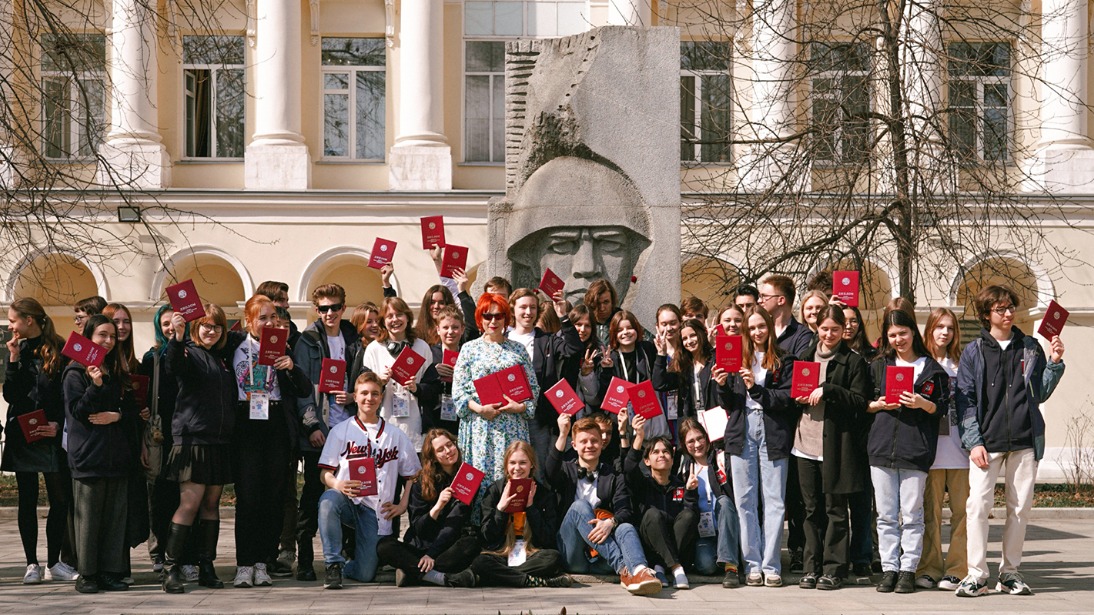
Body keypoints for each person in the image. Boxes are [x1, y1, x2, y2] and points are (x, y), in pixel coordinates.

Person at [955, 285, 1065, 597]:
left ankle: (1009, 574)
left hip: (1025, 440)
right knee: (977, 505)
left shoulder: (1030, 347)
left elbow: (1040, 392)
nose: (1008, 313)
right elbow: (964, 402)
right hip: (986, 444)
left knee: (1019, 509)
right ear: (986, 314)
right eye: (1000, 309)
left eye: (1010, 307)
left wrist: (1055, 362)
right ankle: (976, 574)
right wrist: (973, 441)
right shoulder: (973, 352)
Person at [228, 295, 311, 588]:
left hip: (274, 422)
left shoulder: (282, 347)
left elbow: (303, 389)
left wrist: (290, 366)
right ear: (249, 320)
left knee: (273, 498)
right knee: (248, 498)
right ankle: (244, 563)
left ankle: (263, 562)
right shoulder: (233, 346)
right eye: (262, 317)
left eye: (273, 317)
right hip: (246, 423)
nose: (269, 322)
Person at [866, 309, 949, 594]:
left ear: (913, 332)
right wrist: (878, 405)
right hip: (881, 449)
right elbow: (864, 403)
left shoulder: (932, 370)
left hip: (915, 451)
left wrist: (921, 403)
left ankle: (908, 570)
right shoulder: (878, 365)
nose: (898, 339)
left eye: (903, 333)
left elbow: (942, 408)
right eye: (892, 335)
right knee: (886, 515)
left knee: (912, 514)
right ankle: (889, 568)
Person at [792, 305, 871, 591]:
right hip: (805, 443)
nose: (829, 334)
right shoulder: (805, 356)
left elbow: (861, 402)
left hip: (836, 446)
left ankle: (834, 569)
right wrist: (797, 397)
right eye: (824, 329)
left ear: (844, 331)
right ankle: (811, 568)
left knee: (836, 510)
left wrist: (830, 390)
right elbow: (794, 395)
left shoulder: (853, 361)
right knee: (811, 510)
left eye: (835, 329)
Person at [317, 372, 421, 588]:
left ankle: (348, 565)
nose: (369, 398)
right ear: (354, 396)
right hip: (347, 501)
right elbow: (324, 474)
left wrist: (402, 504)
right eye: (364, 393)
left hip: (374, 510)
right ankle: (333, 565)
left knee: (365, 574)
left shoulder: (396, 434)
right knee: (328, 500)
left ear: (381, 397)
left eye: (375, 393)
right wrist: (338, 484)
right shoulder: (340, 430)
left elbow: (413, 474)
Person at [161, 304, 236, 593]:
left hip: (218, 443)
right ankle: (170, 569)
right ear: (196, 327)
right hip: (192, 441)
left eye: (217, 326)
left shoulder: (222, 360)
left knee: (210, 505)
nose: (211, 331)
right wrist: (177, 337)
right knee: (189, 505)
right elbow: (173, 367)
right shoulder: (188, 352)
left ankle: (207, 565)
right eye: (206, 325)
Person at [4, 298, 78, 584]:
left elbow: (66, 393)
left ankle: (53, 563)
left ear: (29, 320)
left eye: (13, 320)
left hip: (50, 433)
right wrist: (12, 360)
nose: (10, 325)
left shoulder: (59, 348)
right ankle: (31, 563)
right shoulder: (16, 349)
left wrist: (58, 425)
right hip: (22, 434)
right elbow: (12, 395)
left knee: (60, 498)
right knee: (27, 499)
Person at [546, 414, 661, 595]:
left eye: (594, 441)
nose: (589, 445)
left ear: (602, 444)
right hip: (573, 555)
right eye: (583, 441)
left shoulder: (613, 475)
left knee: (626, 527)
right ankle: (624, 568)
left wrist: (610, 523)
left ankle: (639, 572)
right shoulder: (566, 470)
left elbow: (625, 509)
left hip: (602, 559)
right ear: (574, 445)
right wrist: (563, 434)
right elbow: (550, 471)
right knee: (579, 506)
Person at [63, 315, 136, 593]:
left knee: (114, 517)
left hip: (116, 455)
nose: (107, 340)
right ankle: (87, 574)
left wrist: (116, 415)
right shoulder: (74, 372)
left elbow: (130, 410)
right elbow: (79, 412)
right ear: (89, 337)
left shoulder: (116, 370)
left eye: (112, 336)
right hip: (88, 456)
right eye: (101, 335)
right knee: (89, 518)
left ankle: (109, 571)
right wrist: (94, 385)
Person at [293, 283, 361, 581]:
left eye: (334, 307)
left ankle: (346, 556)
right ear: (315, 310)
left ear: (343, 308)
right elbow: (302, 388)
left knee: (349, 489)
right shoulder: (307, 341)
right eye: (323, 308)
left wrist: (353, 397)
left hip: (347, 428)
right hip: (319, 430)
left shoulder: (353, 340)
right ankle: (305, 559)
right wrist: (311, 426)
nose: (329, 313)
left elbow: (361, 378)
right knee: (311, 493)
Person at [726, 305, 797, 587]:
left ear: (770, 327)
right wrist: (722, 384)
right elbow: (727, 402)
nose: (757, 332)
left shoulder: (783, 360)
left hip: (773, 431)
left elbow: (786, 399)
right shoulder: (735, 358)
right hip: (742, 430)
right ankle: (752, 564)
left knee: (775, 501)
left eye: (761, 327)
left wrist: (756, 388)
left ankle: (771, 565)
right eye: (752, 328)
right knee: (745, 501)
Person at [452, 293, 540, 499]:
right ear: (479, 319)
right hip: (480, 426)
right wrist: (480, 409)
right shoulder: (469, 349)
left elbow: (533, 388)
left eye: (498, 316)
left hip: (512, 426)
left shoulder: (518, 350)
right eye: (487, 316)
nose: (493, 321)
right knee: (479, 476)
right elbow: (459, 390)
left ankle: (514, 525)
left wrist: (520, 407)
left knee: (513, 473)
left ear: (506, 318)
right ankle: (478, 526)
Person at [376, 428, 480, 587]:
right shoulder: (420, 481)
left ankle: (412, 573)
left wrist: (431, 555)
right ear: (434, 457)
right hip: (419, 546)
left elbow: (453, 525)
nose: (448, 451)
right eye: (440, 450)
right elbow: (418, 527)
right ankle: (442, 578)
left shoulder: (467, 477)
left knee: (471, 543)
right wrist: (437, 507)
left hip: (446, 548)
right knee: (384, 546)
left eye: (450, 445)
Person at [759, 273, 813, 572]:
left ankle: (799, 550)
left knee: (797, 492)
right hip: (766, 421)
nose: (760, 301)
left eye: (764, 296)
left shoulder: (802, 335)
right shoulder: (760, 331)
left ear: (781, 300)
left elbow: (797, 379)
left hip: (795, 423)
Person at [916, 308, 968, 591]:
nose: (944, 332)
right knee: (930, 513)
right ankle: (928, 568)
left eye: (950, 327)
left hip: (961, 449)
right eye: (939, 327)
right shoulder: (921, 363)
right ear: (930, 329)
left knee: (962, 513)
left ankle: (958, 569)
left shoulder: (963, 363)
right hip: (931, 448)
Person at [471, 440, 571, 587]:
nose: (517, 468)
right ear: (506, 465)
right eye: (512, 463)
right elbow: (488, 537)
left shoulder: (544, 494)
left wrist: (531, 507)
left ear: (532, 465)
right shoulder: (495, 491)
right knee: (480, 562)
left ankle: (501, 577)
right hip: (502, 552)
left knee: (553, 558)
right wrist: (501, 508)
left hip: (531, 552)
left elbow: (547, 538)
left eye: (523, 463)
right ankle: (531, 580)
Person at [507, 288, 582, 475]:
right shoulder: (503, 339)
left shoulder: (547, 339)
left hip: (537, 418)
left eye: (532, 307)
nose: (528, 312)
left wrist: (563, 316)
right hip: (506, 418)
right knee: (510, 470)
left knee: (538, 470)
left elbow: (574, 350)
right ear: (512, 310)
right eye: (523, 307)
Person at [139, 305, 187, 578]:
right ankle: (158, 552)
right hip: (160, 434)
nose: (170, 327)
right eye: (165, 323)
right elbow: (144, 398)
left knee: (182, 495)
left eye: (175, 322)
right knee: (158, 496)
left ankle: (178, 554)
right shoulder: (152, 357)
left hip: (184, 431)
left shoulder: (190, 353)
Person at [624, 417, 699, 590]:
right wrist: (639, 437)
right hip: (650, 545)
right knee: (653, 514)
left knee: (688, 515)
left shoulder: (681, 484)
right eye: (656, 452)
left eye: (665, 452)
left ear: (672, 460)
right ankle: (676, 568)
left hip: (677, 546)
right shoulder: (642, 483)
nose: (661, 455)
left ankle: (661, 567)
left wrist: (690, 493)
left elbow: (691, 519)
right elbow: (628, 468)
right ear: (647, 461)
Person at [362, 297, 440, 452]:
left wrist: (416, 388)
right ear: (383, 321)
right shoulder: (373, 349)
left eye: (399, 314)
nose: (395, 320)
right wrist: (379, 383)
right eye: (389, 316)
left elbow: (433, 389)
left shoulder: (421, 347)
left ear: (407, 317)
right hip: (383, 426)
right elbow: (362, 391)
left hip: (415, 429)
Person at [677, 418, 741, 587]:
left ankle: (731, 567)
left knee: (724, 502)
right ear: (684, 445)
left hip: (728, 528)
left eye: (700, 438)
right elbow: (685, 512)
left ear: (706, 437)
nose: (697, 444)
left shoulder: (720, 459)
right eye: (691, 441)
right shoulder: (684, 469)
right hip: (705, 534)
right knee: (706, 566)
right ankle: (726, 557)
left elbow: (734, 496)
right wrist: (689, 490)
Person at [604, 310, 668, 439]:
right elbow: (604, 392)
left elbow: (658, 379)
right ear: (614, 334)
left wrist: (661, 353)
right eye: (620, 330)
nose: (625, 332)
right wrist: (606, 370)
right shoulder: (611, 357)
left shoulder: (647, 349)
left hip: (648, 409)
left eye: (629, 328)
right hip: (623, 416)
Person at [426, 305, 465, 436]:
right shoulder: (429, 354)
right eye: (445, 327)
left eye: (455, 327)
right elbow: (420, 385)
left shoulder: (468, 354)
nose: (450, 332)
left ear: (462, 329)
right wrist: (434, 371)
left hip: (460, 418)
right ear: (438, 330)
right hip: (434, 417)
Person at [584, 279, 620, 348]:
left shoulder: (622, 320)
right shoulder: (584, 321)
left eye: (606, 302)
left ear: (612, 301)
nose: (602, 308)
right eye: (598, 303)